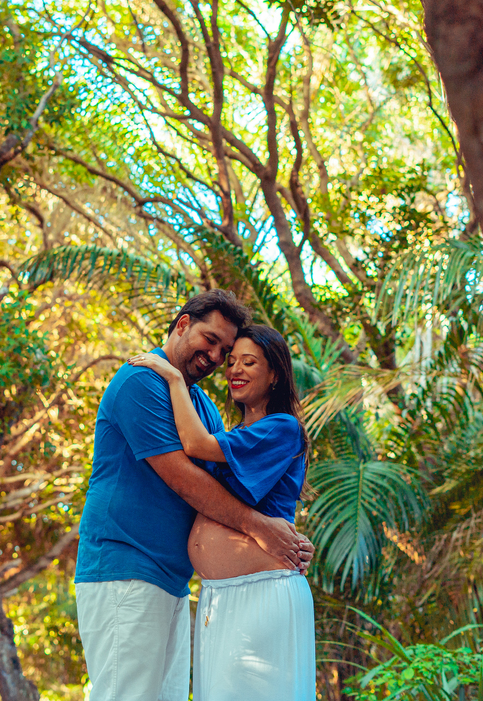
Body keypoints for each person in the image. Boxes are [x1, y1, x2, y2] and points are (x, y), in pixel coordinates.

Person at [74, 291, 314, 701]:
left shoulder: (200, 405)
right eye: (212, 340)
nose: (218, 357)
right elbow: (185, 480)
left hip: (175, 582)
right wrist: (263, 530)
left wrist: (286, 537)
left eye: (227, 350)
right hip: (127, 568)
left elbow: (224, 484)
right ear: (182, 324)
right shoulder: (140, 381)